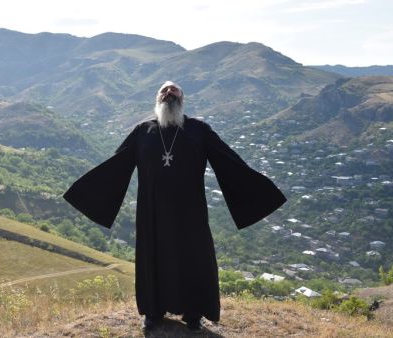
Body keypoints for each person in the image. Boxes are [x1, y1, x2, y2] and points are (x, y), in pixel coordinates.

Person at [63, 81, 286, 332]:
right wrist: (86, 193)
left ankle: (194, 314)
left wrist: (261, 192)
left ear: (182, 99)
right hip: (152, 211)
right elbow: (116, 164)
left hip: (190, 210)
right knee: (153, 259)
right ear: (157, 99)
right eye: (164, 91)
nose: (169, 93)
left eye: (175, 91)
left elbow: (228, 161)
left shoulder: (199, 130)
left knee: (193, 259)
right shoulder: (142, 131)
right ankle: (153, 312)